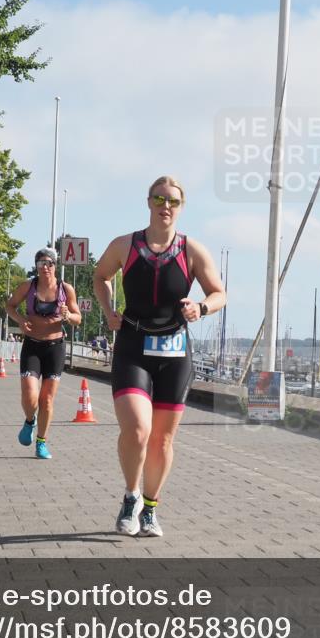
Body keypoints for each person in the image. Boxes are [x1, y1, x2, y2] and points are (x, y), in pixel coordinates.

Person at [93, 175, 226, 537]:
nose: (165, 207)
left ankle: (150, 507)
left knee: (163, 440)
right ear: (148, 202)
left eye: (172, 201)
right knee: (137, 430)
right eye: (158, 200)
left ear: (181, 207)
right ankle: (131, 495)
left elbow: (219, 293)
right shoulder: (125, 244)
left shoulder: (192, 250)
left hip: (174, 351)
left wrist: (201, 306)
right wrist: (108, 311)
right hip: (133, 346)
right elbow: (101, 275)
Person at [5, 247, 81, 459]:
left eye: (49, 263)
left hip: (55, 347)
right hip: (32, 346)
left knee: (46, 400)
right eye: (41, 264)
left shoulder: (66, 289)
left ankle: (41, 442)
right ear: (36, 266)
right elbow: (10, 306)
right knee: (30, 396)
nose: (45, 267)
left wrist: (68, 316)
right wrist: (20, 320)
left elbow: (78, 318)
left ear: (56, 266)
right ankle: (30, 420)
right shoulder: (28, 287)